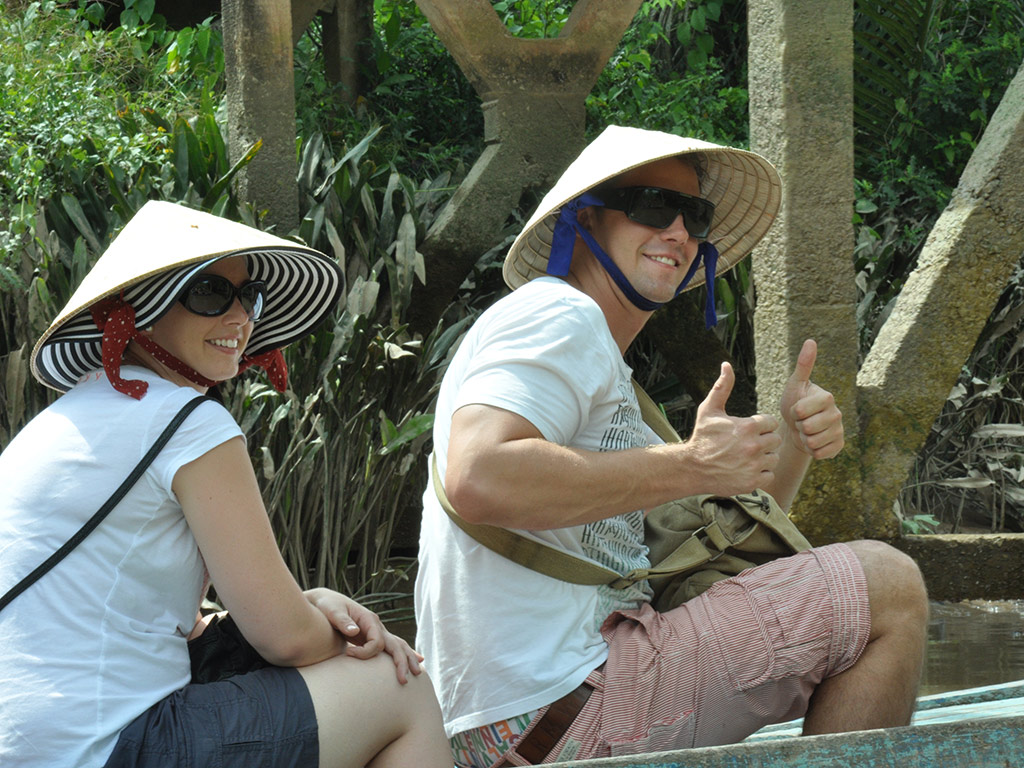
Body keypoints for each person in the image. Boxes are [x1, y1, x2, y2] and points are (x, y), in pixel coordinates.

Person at [414, 125, 930, 767]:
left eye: (694, 214)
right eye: (653, 206)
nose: (679, 232)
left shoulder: (603, 372)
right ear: (587, 219)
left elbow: (718, 547)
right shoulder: (559, 315)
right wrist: (690, 463)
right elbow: (478, 475)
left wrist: (791, 445)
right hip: (555, 714)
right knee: (889, 586)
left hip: (522, 723)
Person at [0, 201, 452, 768]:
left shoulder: (65, 418)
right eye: (211, 292)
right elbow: (286, 639)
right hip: (99, 745)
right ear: (144, 309)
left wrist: (311, 604)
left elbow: (155, 624)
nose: (240, 317)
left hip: (29, 744)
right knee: (399, 686)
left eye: (250, 297)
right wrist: (356, 637)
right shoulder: (189, 421)